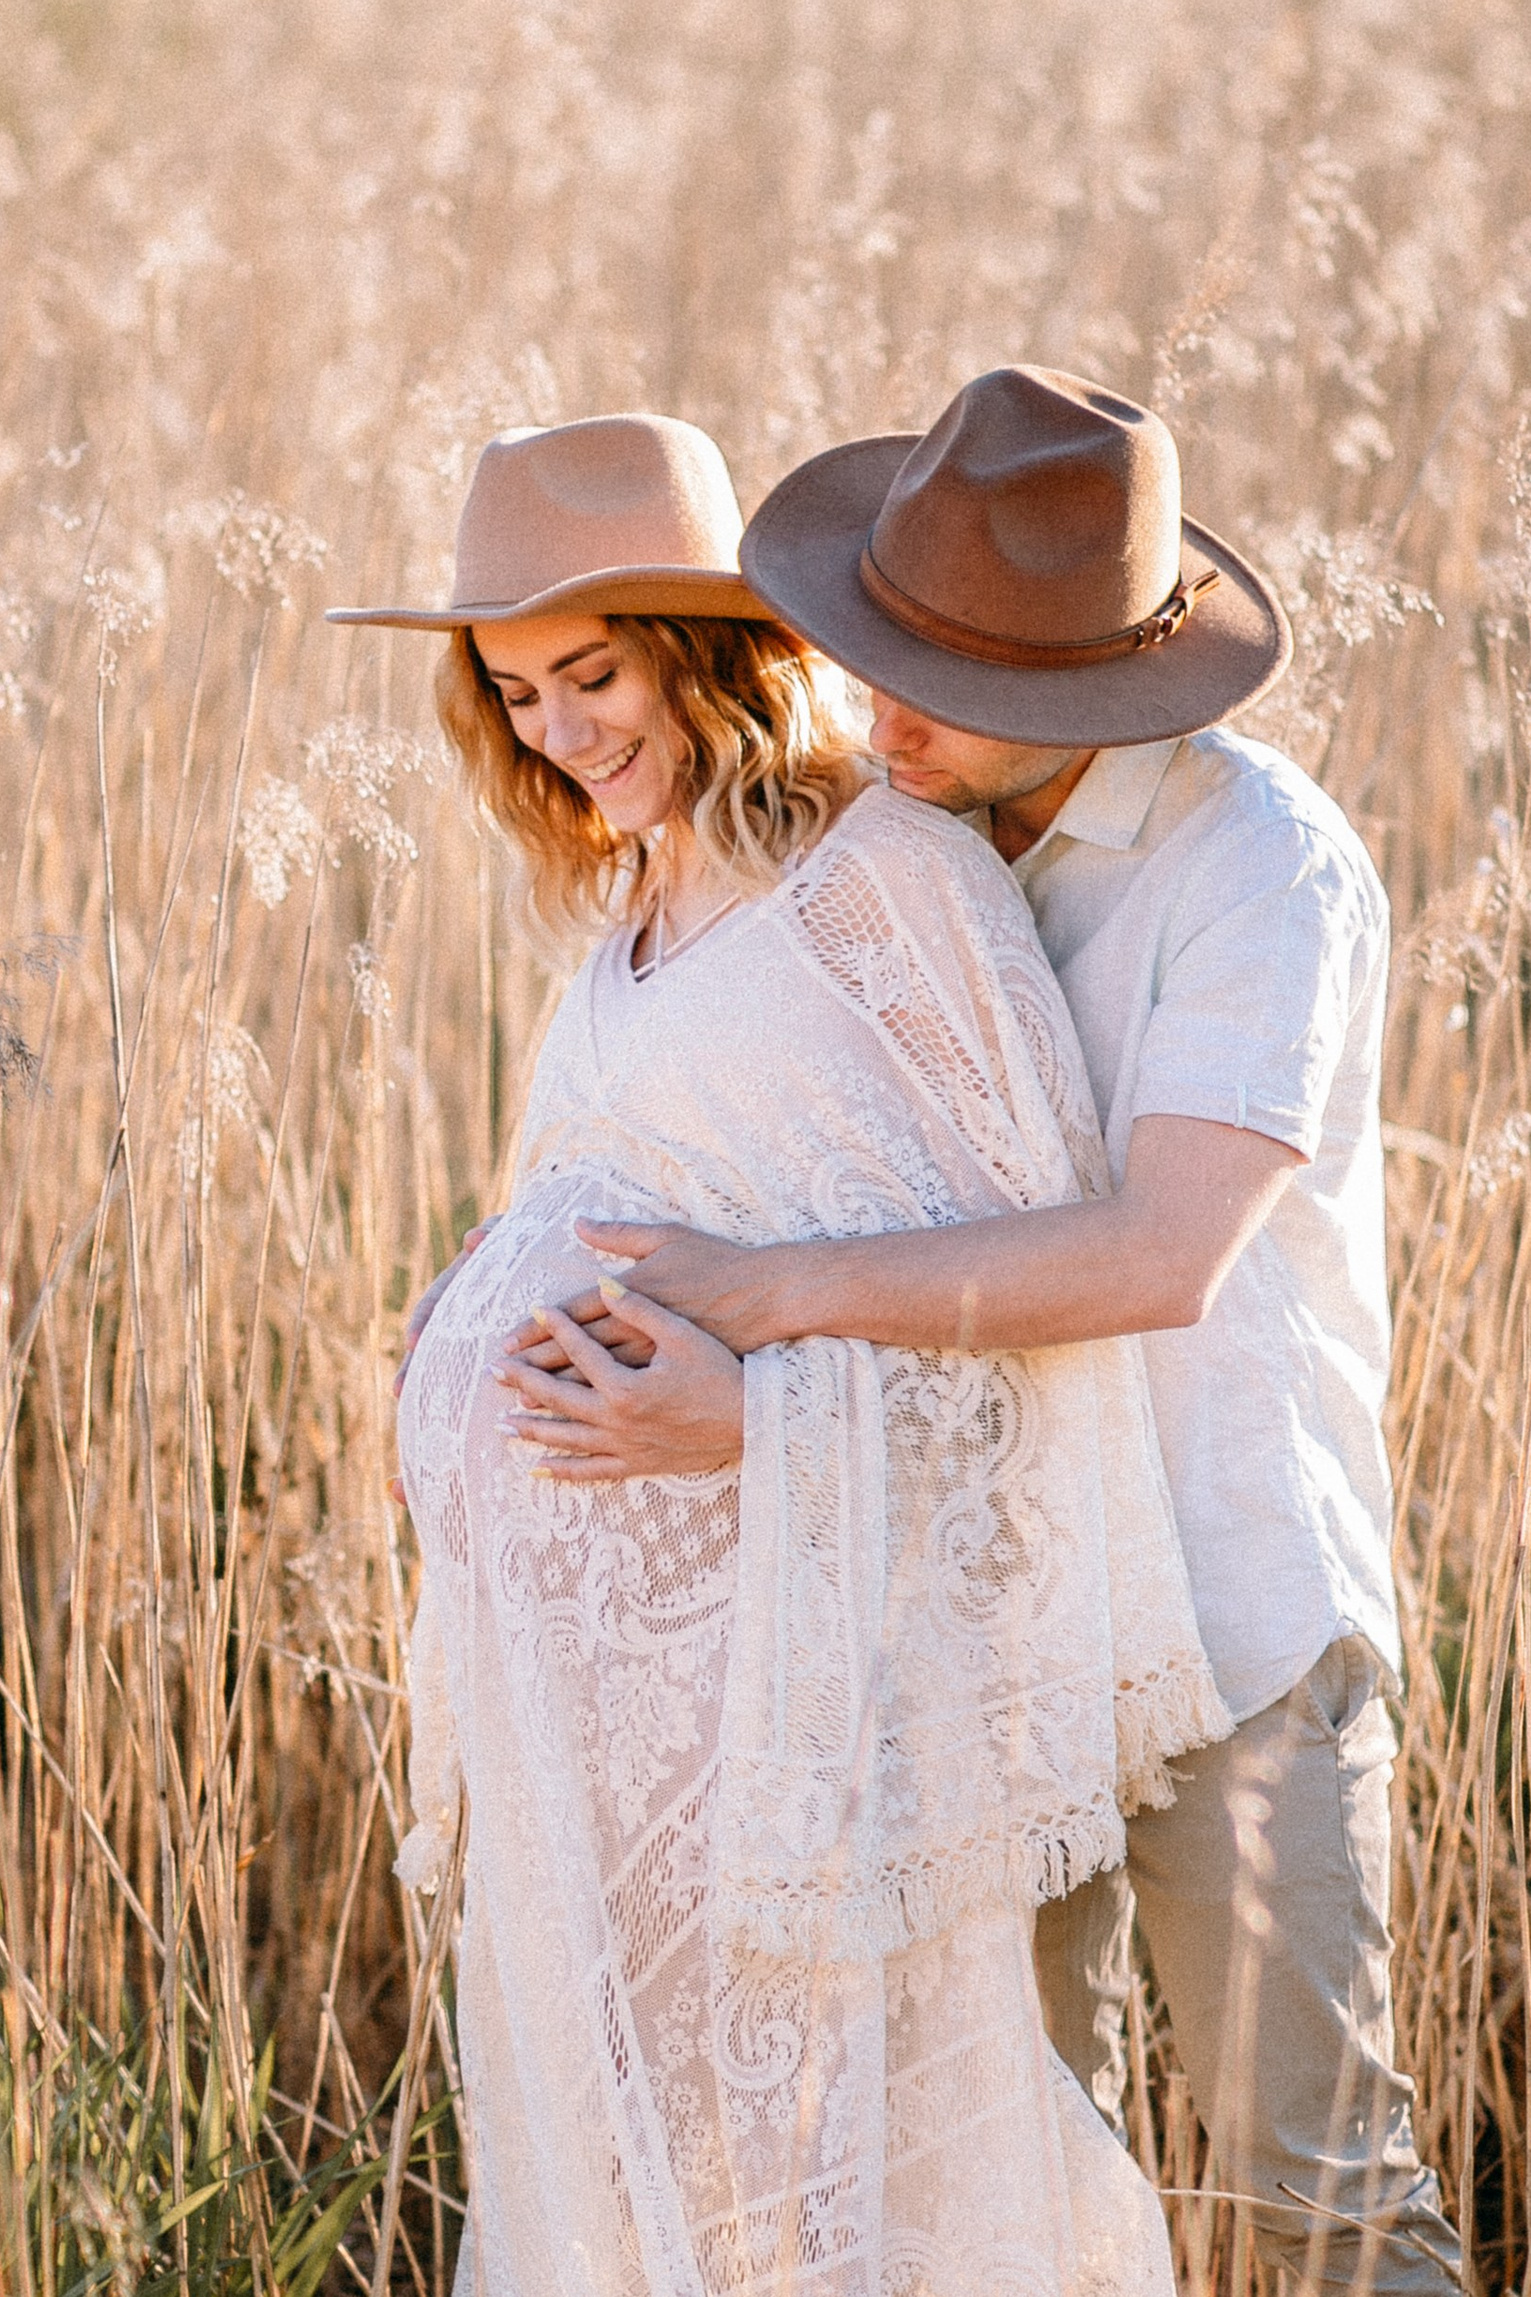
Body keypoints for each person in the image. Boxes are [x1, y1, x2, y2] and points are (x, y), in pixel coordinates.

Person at [472, 370, 1464, 2293]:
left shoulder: (1258, 869)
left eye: (949, 687)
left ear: (1092, 693)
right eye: (875, 657)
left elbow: (1158, 1254)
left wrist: (757, 1320)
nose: (883, 714)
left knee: (1312, 2188)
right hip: (984, 1609)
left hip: (1232, 1602)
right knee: (999, 2175)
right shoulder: (888, 838)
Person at [332, 409, 1232, 2296]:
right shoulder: (625, 916)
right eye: (518, 694)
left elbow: (1024, 1302)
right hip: (593, 1719)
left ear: (710, 650)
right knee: (656, 2151)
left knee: (830, 2163)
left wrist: (759, 1419)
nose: (563, 730)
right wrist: (474, 1295)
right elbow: (630, 1202)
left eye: (596, 675)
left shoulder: (880, 879)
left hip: (788, 1681)